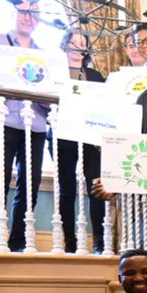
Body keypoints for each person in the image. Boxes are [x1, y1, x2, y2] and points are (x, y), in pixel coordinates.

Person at [0, 0, 48, 252]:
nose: (28, 18)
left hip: (35, 125)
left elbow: (48, 88)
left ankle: (19, 238)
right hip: (1, 118)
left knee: (30, 183)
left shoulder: (42, 54)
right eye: (24, 12)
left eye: (34, 14)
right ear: (15, 13)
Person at [52, 31, 105, 253]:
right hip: (62, 136)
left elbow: (103, 107)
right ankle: (69, 240)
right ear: (65, 45)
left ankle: (99, 240)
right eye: (73, 42)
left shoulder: (95, 75)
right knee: (66, 189)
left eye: (82, 43)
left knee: (96, 187)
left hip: (90, 137)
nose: (77, 47)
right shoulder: (55, 73)